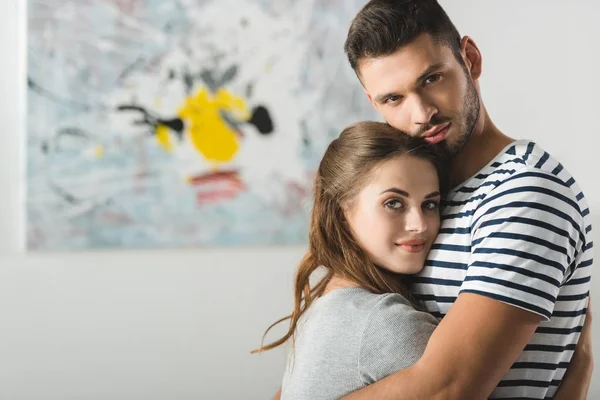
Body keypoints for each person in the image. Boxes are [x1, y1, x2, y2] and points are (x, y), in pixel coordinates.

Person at [333, 0, 593, 398]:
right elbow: (325, 336)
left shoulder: (526, 191)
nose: (421, 113)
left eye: (432, 78)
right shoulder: (408, 197)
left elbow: (449, 390)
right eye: (393, 99)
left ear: (470, 58)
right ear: (374, 103)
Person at [255, 121, 592, 400]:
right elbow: (449, 390)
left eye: (430, 204)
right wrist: (580, 372)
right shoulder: (383, 323)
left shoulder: (324, 303)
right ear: (343, 212)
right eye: (393, 203)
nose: (419, 224)